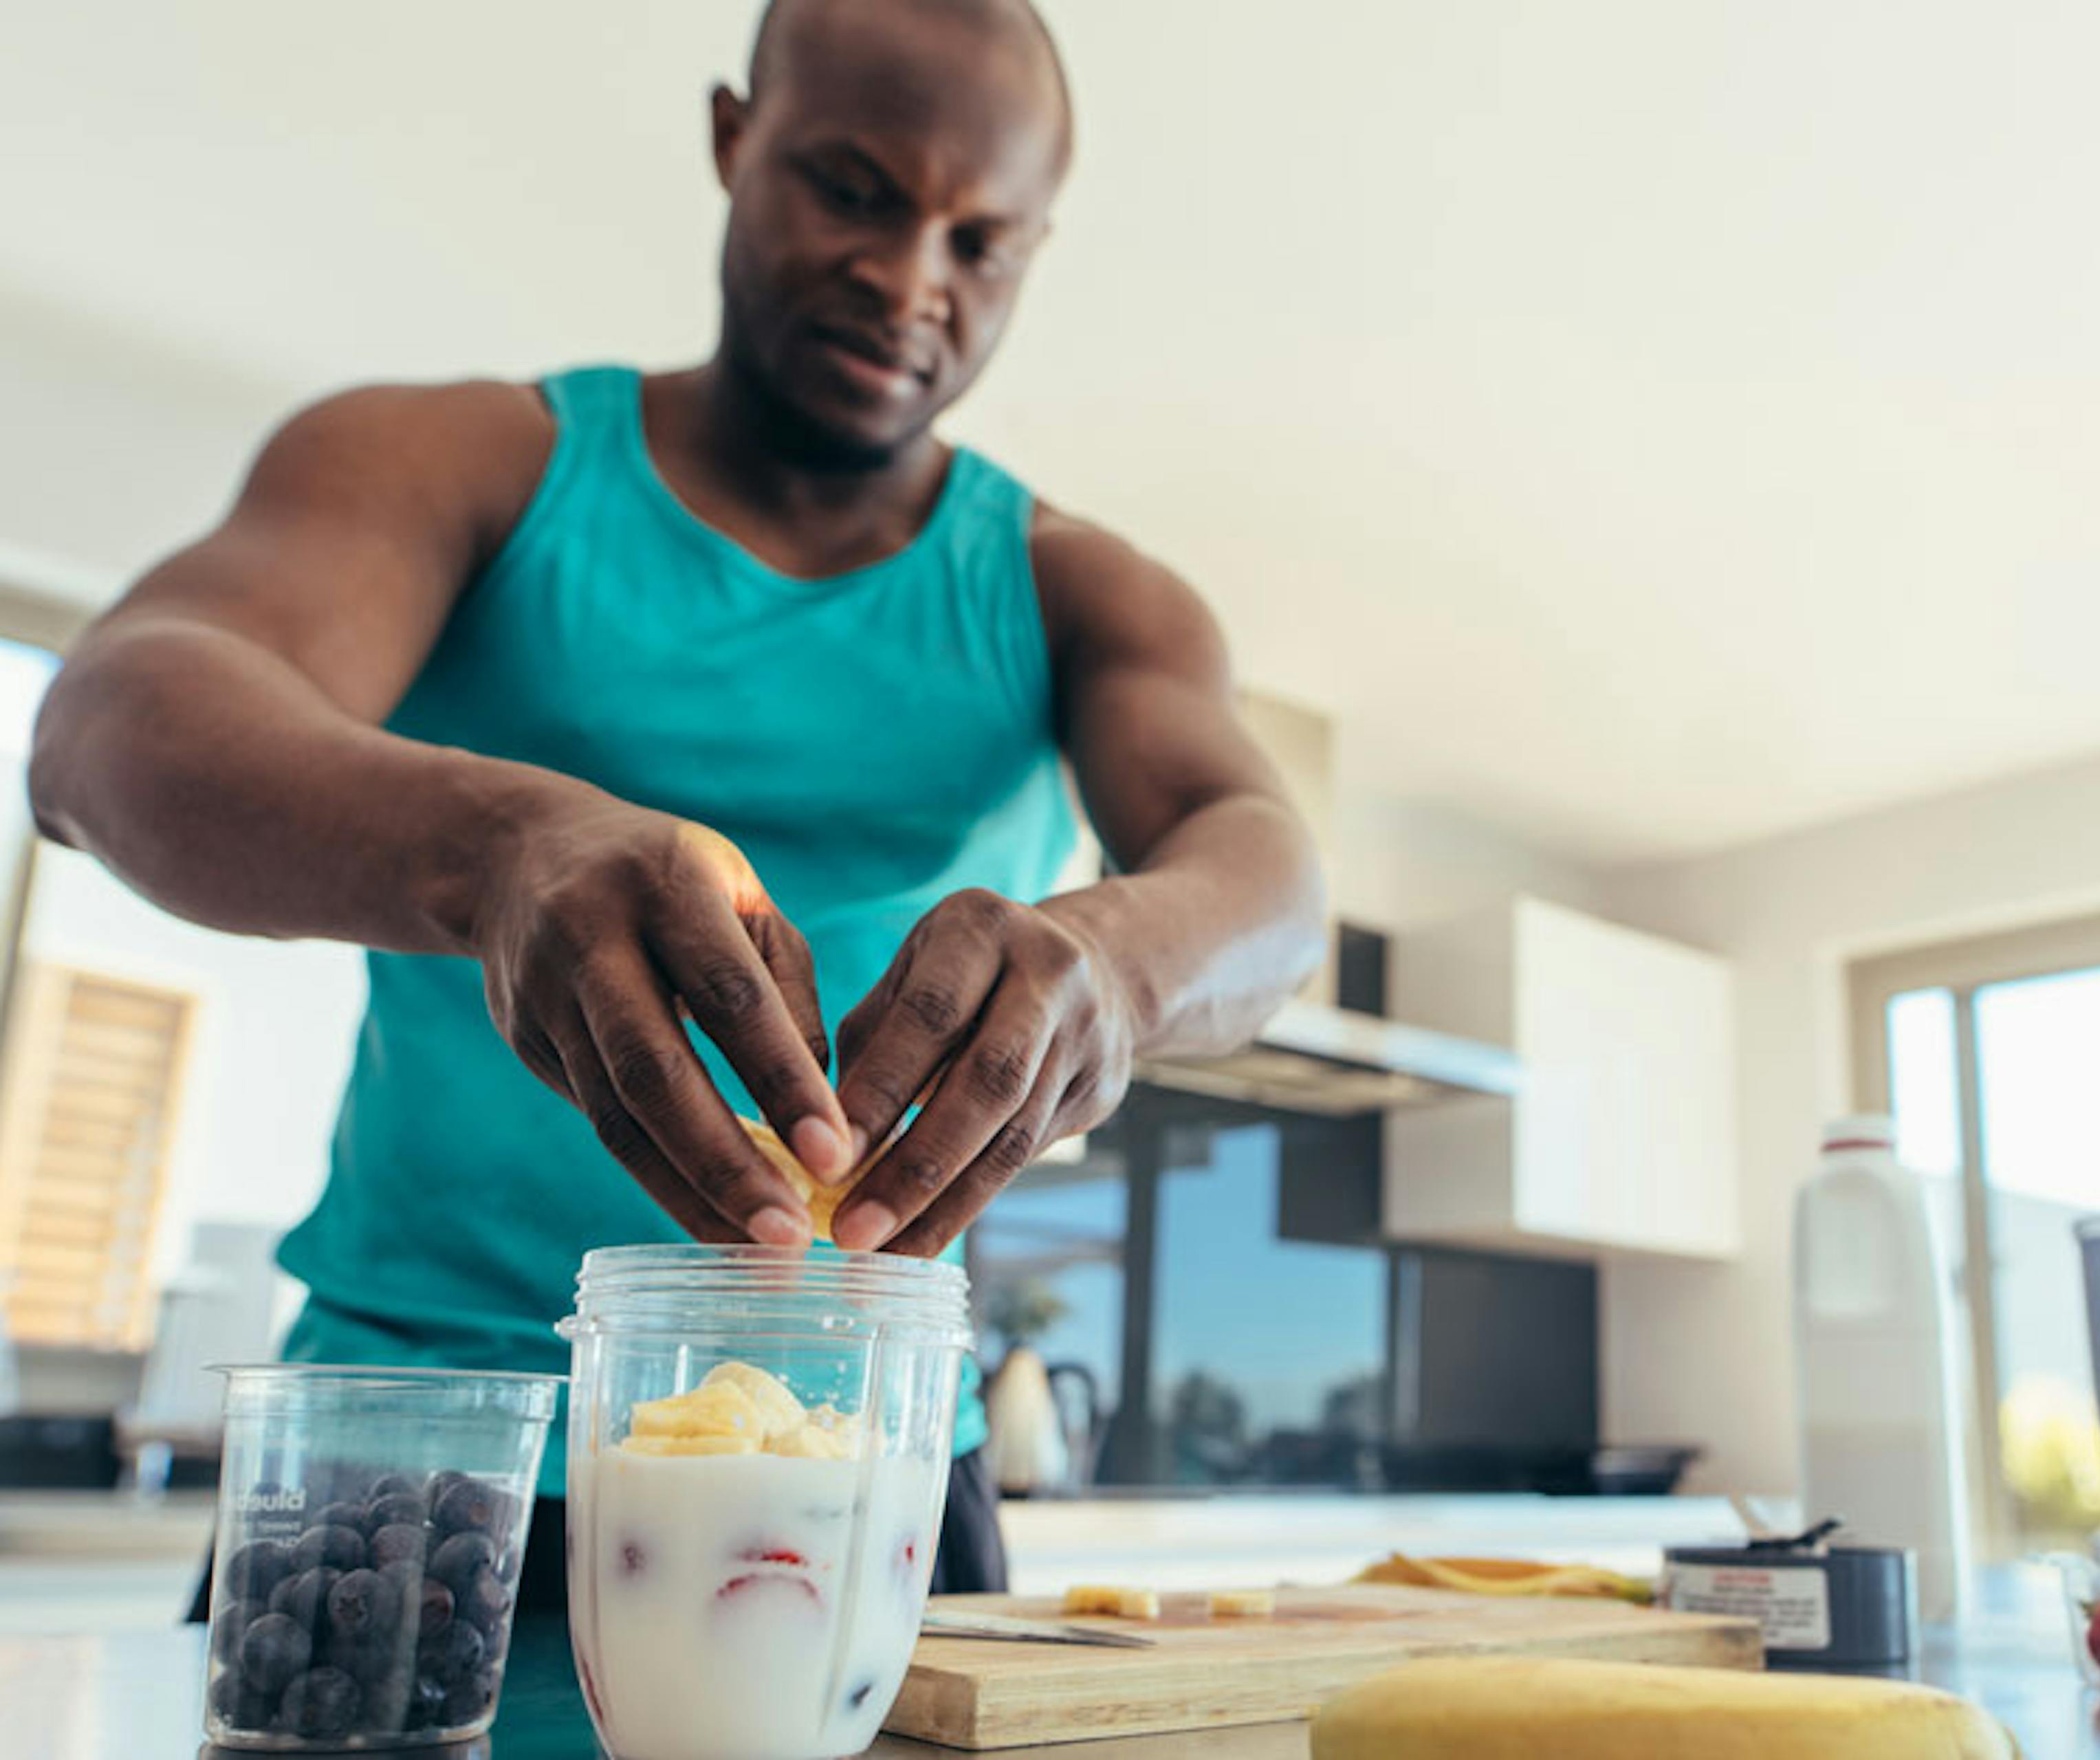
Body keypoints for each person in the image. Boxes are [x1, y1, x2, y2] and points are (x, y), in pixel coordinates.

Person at [30, 0, 1324, 1605]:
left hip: (862, 1465)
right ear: (735, 138)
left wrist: (1119, 968)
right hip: (431, 1446)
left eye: (981, 243)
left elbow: (1267, 881)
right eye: (852, 188)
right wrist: (496, 850)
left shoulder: (1082, 594)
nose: (912, 278)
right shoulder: (461, 460)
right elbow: (104, 730)